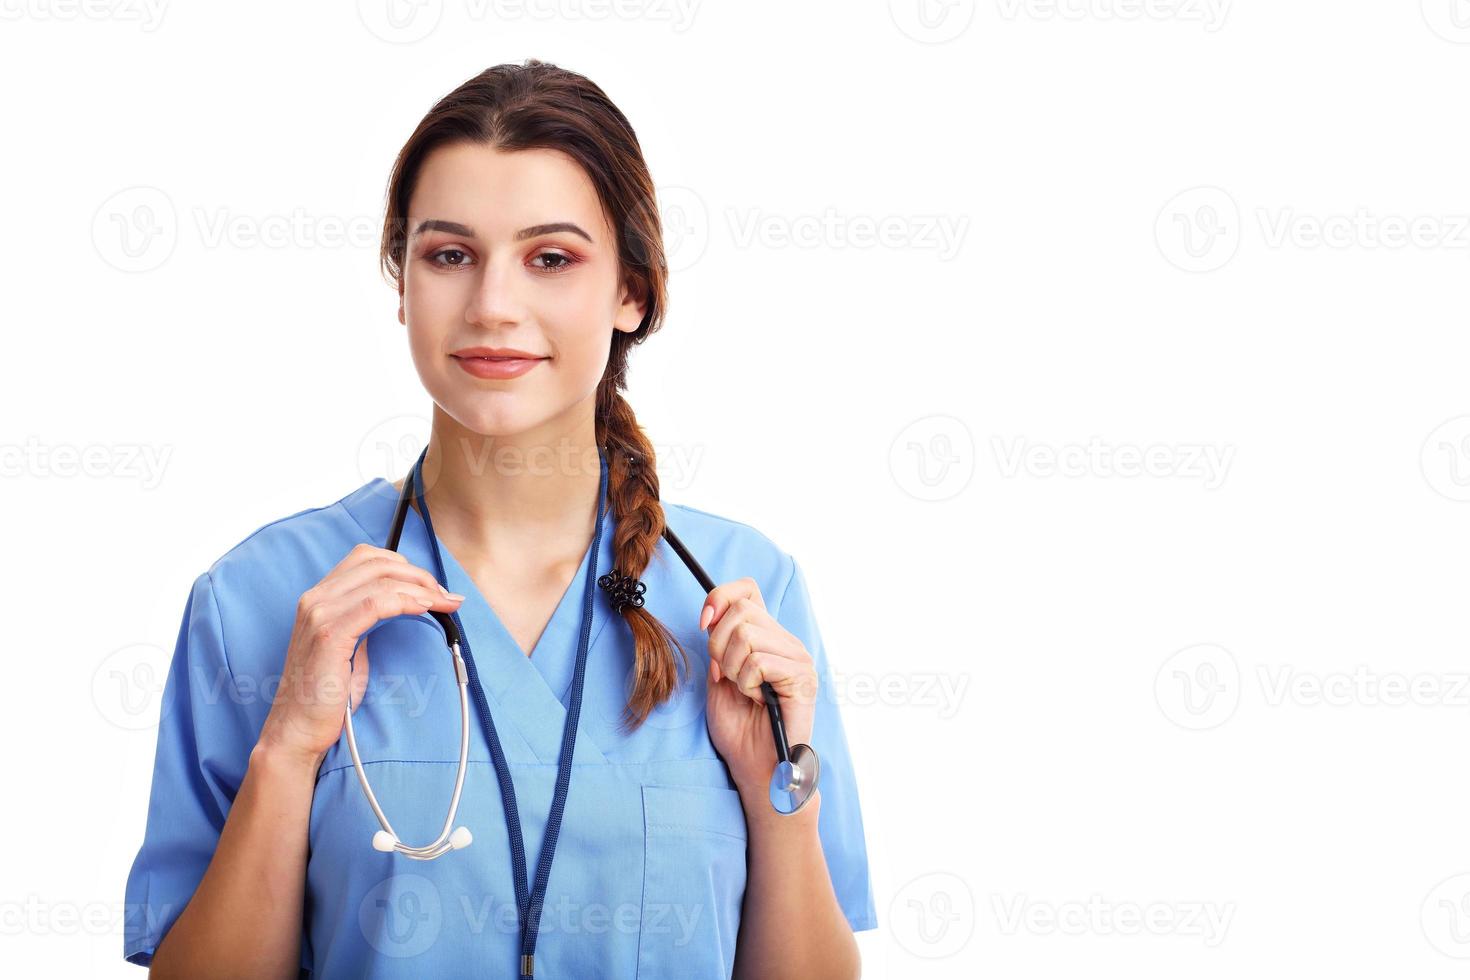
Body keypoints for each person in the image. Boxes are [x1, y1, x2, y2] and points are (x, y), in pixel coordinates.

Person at [122, 59, 876, 978]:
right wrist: (287, 749)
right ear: (402, 284)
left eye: (550, 258)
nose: (492, 307)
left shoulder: (740, 597)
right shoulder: (259, 600)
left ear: (632, 292)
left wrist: (773, 797)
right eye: (449, 256)